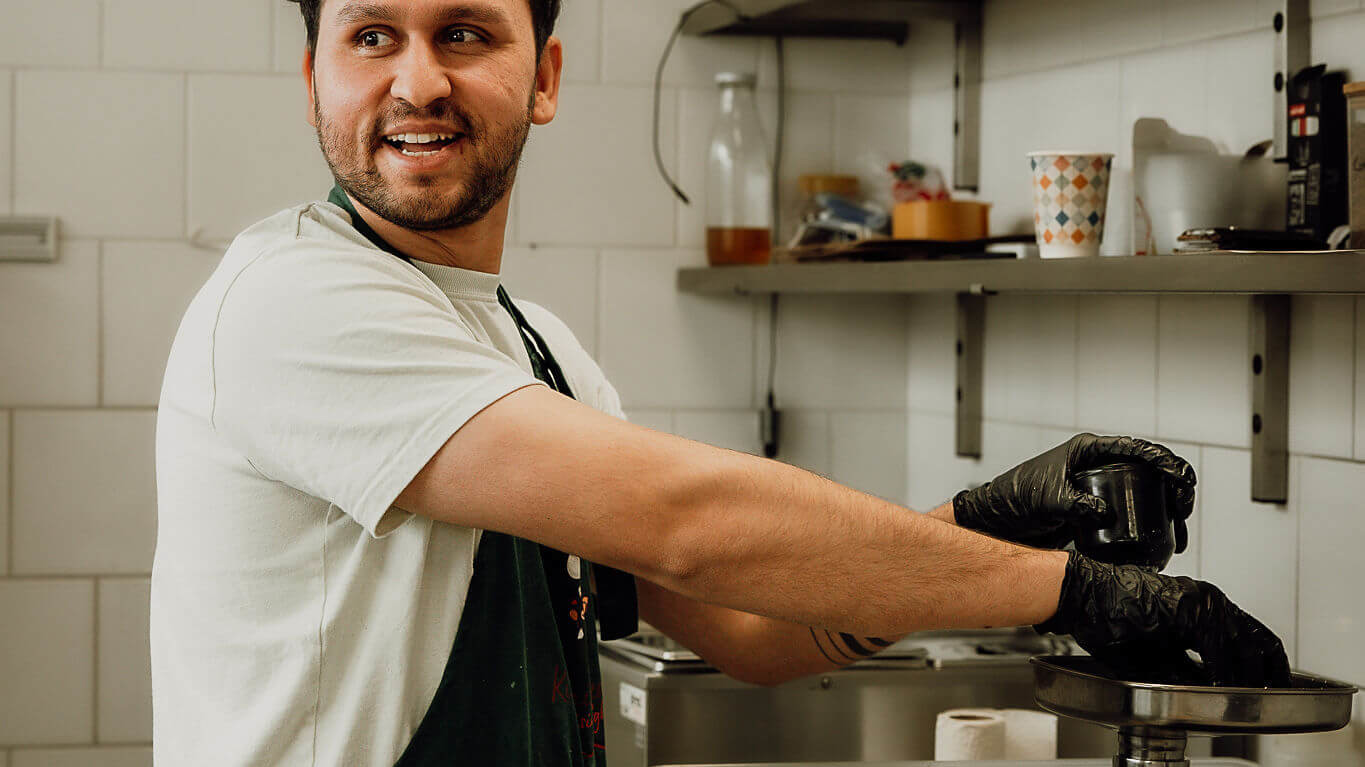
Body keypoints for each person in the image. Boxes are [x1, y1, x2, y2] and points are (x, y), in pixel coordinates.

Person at [150, 0, 1291, 764]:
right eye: (371, 38)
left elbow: (749, 623)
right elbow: (689, 521)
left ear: (543, 77)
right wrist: (1065, 589)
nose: (418, 82)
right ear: (312, 78)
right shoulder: (294, 302)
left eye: (463, 33)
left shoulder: (528, 347)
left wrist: (978, 518)